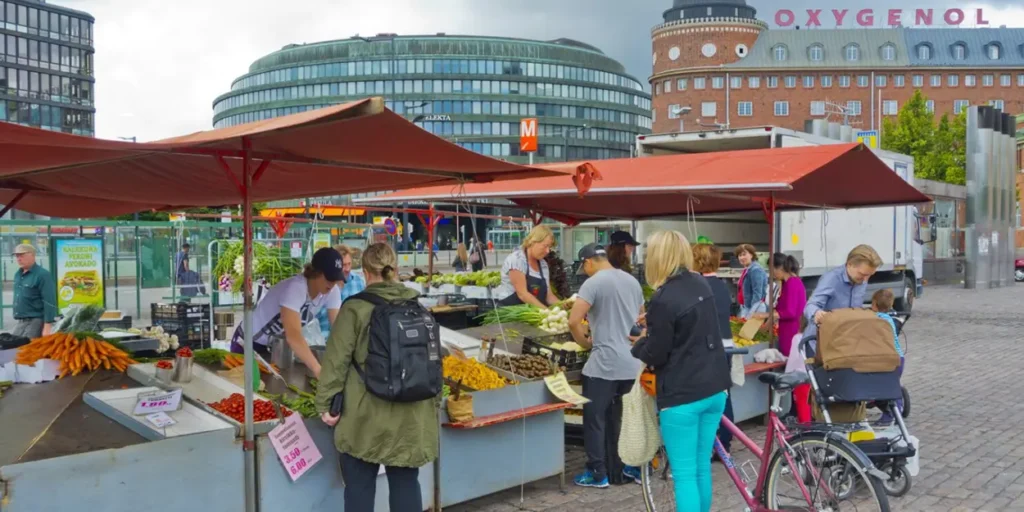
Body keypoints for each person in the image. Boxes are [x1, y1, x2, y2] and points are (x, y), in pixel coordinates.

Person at [316, 243, 437, 512]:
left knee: (359, 486)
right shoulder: (417, 305)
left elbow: (335, 362)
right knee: (406, 483)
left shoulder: (355, 309)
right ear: (394, 268)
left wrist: (325, 405)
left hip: (364, 416)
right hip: (411, 414)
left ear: (365, 271)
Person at [631, 231, 731, 512]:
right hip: (714, 388)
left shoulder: (664, 297)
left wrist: (639, 345)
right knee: (701, 469)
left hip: (683, 394)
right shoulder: (700, 283)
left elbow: (657, 353)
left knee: (684, 475)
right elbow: (690, 329)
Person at [568, 244, 645, 488]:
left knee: (594, 419)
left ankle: (597, 473)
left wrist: (585, 341)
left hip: (603, 365)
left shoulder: (593, 283)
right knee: (622, 419)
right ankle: (622, 470)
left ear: (589, 262)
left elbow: (573, 320)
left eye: (584, 267)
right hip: (631, 363)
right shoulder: (631, 281)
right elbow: (641, 320)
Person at [229, 247, 344, 378]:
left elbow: (338, 328)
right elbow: (293, 335)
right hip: (248, 344)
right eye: (329, 278)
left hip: (274, 347)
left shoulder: (332, 291)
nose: (332, 283)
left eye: (335, 279)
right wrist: (317, 369)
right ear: (315, 272)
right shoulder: (296, 288)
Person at [692, 243, 736, 457]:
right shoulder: (721, 285)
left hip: (709, 348)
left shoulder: (698, 285)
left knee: (706, 398)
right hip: (726, 344)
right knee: (724, 394)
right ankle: (724, 443)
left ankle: (710, 444)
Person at [803, 244, 883, 340]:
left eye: (870, 275)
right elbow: (810, 305)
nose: (866, 279)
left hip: (845, 340)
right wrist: (817, 313)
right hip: (821, 342)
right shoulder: (831, 279)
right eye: (862, 274)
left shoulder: (862, 280)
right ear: (849, 264)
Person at [496, 225, 559, 308]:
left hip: (533, 310)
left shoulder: (543, 264)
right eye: (545, 246)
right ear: (533, 242)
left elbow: (549, 296)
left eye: (549, 247)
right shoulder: (517, 259)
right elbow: (523, 294)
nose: (547, 251)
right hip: (512, 311)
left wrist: (563, 305)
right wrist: (546, 311)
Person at [871, 289, 905, 425]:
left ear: (874, 303)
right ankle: (899, 409)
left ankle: (889, 414)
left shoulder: (875, 319)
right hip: (899, 357)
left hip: (885, 359)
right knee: (892, 385)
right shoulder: (889, 319)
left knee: (882, 387)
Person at [317, 245, 366, 336]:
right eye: (343, 265)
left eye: (349, 264)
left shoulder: (358, 282)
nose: (347, 269)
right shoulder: (323, 284)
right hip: (323, 336)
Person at [12, 244, 56, 339]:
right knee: (12, 347)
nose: (19, 259)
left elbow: (49, 301)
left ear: (32, 255)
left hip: (35, 321)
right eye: (17, 256)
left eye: (22, 255)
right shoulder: (18, 274)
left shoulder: (43, 275)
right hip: (21, 321)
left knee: (27, 350)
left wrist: (48, 325)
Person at [770, 253, 807, 357]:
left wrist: (767, 315)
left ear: (779, 268)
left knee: (789, 358)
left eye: (772, 269)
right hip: (789, 328)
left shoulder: (792, 283)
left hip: (791, 330)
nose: (772, 273)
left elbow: (790, 312)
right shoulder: (789, 282)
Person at [735, 244, 768, 319]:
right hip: (746, 307)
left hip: (753, 309)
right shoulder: (747, 269)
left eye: (744, 254)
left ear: (751, 255)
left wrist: (751, 314)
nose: (742, 257)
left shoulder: (755, 270)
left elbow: (757, 294)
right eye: (739, 255)